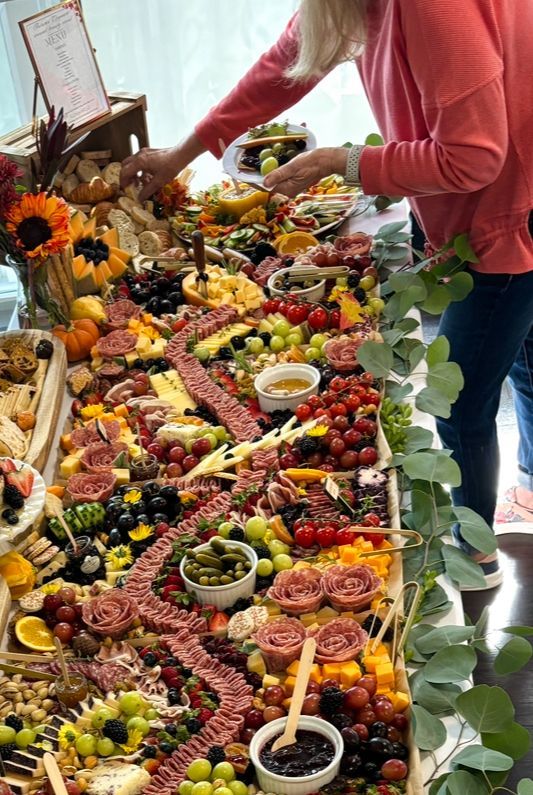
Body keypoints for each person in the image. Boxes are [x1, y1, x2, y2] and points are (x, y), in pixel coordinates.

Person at [122, 0, 533, 589]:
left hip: (506, 215)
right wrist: (183, 153)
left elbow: (474, 156)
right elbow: (286, 61)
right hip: (498, 203)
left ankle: (477, 561)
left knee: (464, 403)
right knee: (520, 354)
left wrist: (349, 162)